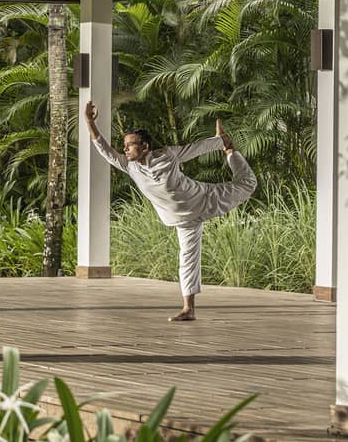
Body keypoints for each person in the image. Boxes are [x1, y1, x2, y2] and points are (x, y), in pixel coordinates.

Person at [83, 100, 256, 321]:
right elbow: (105, 150)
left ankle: (230, 150)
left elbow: (194, 150)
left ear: (145, 146)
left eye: (130, 144)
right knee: (188, 259)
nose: (125, 148)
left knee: (248, 183)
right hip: (183, 220)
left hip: (205, 198)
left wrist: (220, 142)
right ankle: (188, 309)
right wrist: (89, 121)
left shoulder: (167, 155)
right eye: (124, 145)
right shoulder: (130, 167)